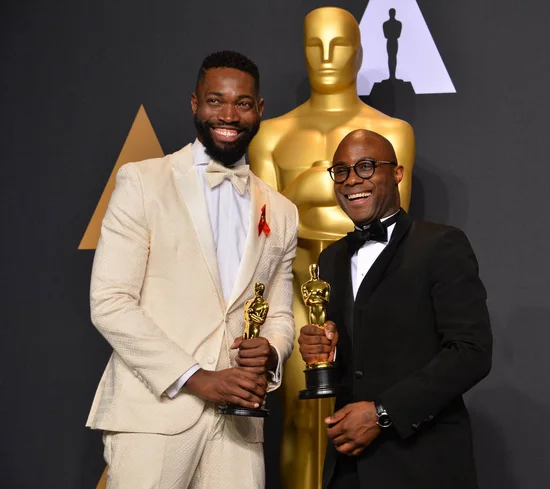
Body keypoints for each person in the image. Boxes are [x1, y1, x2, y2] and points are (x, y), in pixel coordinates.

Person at [86, 50, 298, 489]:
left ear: (259, 110)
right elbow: (109, 302)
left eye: (242, 103)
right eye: (215, 100)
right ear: (194, 104)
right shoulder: (142, 182)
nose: (228, 114)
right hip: (155, 412)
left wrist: (273, 351)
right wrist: (197, 378)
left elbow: (278, 313)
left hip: (240, 426)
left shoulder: (282, 211)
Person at [248, 9, 415, 488]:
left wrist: (301, 191)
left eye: (339, 45)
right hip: (297, 294)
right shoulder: (273, 134)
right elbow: (268, 232)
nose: (325, 57)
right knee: (303, 421)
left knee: (368, 417)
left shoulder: (394, 132)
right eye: (314, 45)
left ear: (359, 52)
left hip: (369, 299)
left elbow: (388, 226)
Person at [298, 129, 493, 489]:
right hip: (349, 469)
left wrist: (383, 413)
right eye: (340, 170)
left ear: (398, 173)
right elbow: (359, 364)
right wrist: (325, 352)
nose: (352, 179)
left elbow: (471, 352)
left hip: (422, 464)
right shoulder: (330, 260)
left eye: (367, 167)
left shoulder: (441, 245)